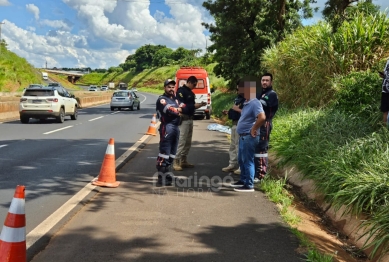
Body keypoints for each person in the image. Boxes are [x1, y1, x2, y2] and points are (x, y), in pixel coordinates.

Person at [230, 77, 266, 192]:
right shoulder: (246, 102)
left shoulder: (255, 102)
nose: (240, 92)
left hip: (249, 136)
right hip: (243, 136)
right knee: (241, 159)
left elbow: (262, 117)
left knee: (247, 160)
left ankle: (249, 184)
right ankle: (243, 180)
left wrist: (254, 128)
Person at [173, 76, 207, 171]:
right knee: (181, 141)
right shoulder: (181, 91)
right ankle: (176, 161)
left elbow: (191, 106)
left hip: (190, 118)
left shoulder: (191, 93)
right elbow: (181, 105)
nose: (195, 86)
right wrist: (193, 106)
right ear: (190, 82)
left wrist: (199, 105)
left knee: (188, 142)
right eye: (194, 84)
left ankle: (183, 160)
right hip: (183, 119)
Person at [155, 79, 183, 185]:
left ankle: (167, 175)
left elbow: (184, 107)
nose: (171, 89)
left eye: (172, 87)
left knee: (172, 154)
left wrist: (180, 110)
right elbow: (171, 110)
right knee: (164, 153)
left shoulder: (175, 99)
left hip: (176, 127)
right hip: (167, 127)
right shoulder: (162, 99)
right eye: (169, 87)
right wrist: (178, 110)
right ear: (164, 88)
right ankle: (160, 178)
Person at [254, 73, 279, 183]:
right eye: (263, 80)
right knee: (256, 147)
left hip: (265, 124)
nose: (264, 82)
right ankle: (255, 173)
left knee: (262, 148)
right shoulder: (260, 94)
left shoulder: (272, 94)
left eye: (267, 80)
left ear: (271, 82)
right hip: (257, 123)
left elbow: (263, 105)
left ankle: (261, 175)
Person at [221, 82, 245, 173]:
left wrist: (237, 109)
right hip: (234, 124)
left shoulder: (247, 100)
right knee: (232, 146)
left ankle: (241, 166)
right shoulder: (238, 99)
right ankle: (232, 164)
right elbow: (235, 110)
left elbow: (248, 113)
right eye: (238, 89)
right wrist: (228, 112)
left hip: (241, 125)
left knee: (239, 146)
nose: (239, 91)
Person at [380, 59, 389, 123]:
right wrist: (382, 74)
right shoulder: (388, 60)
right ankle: (384, 131)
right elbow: (385, 71)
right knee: (385, 110)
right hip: (385, 89)